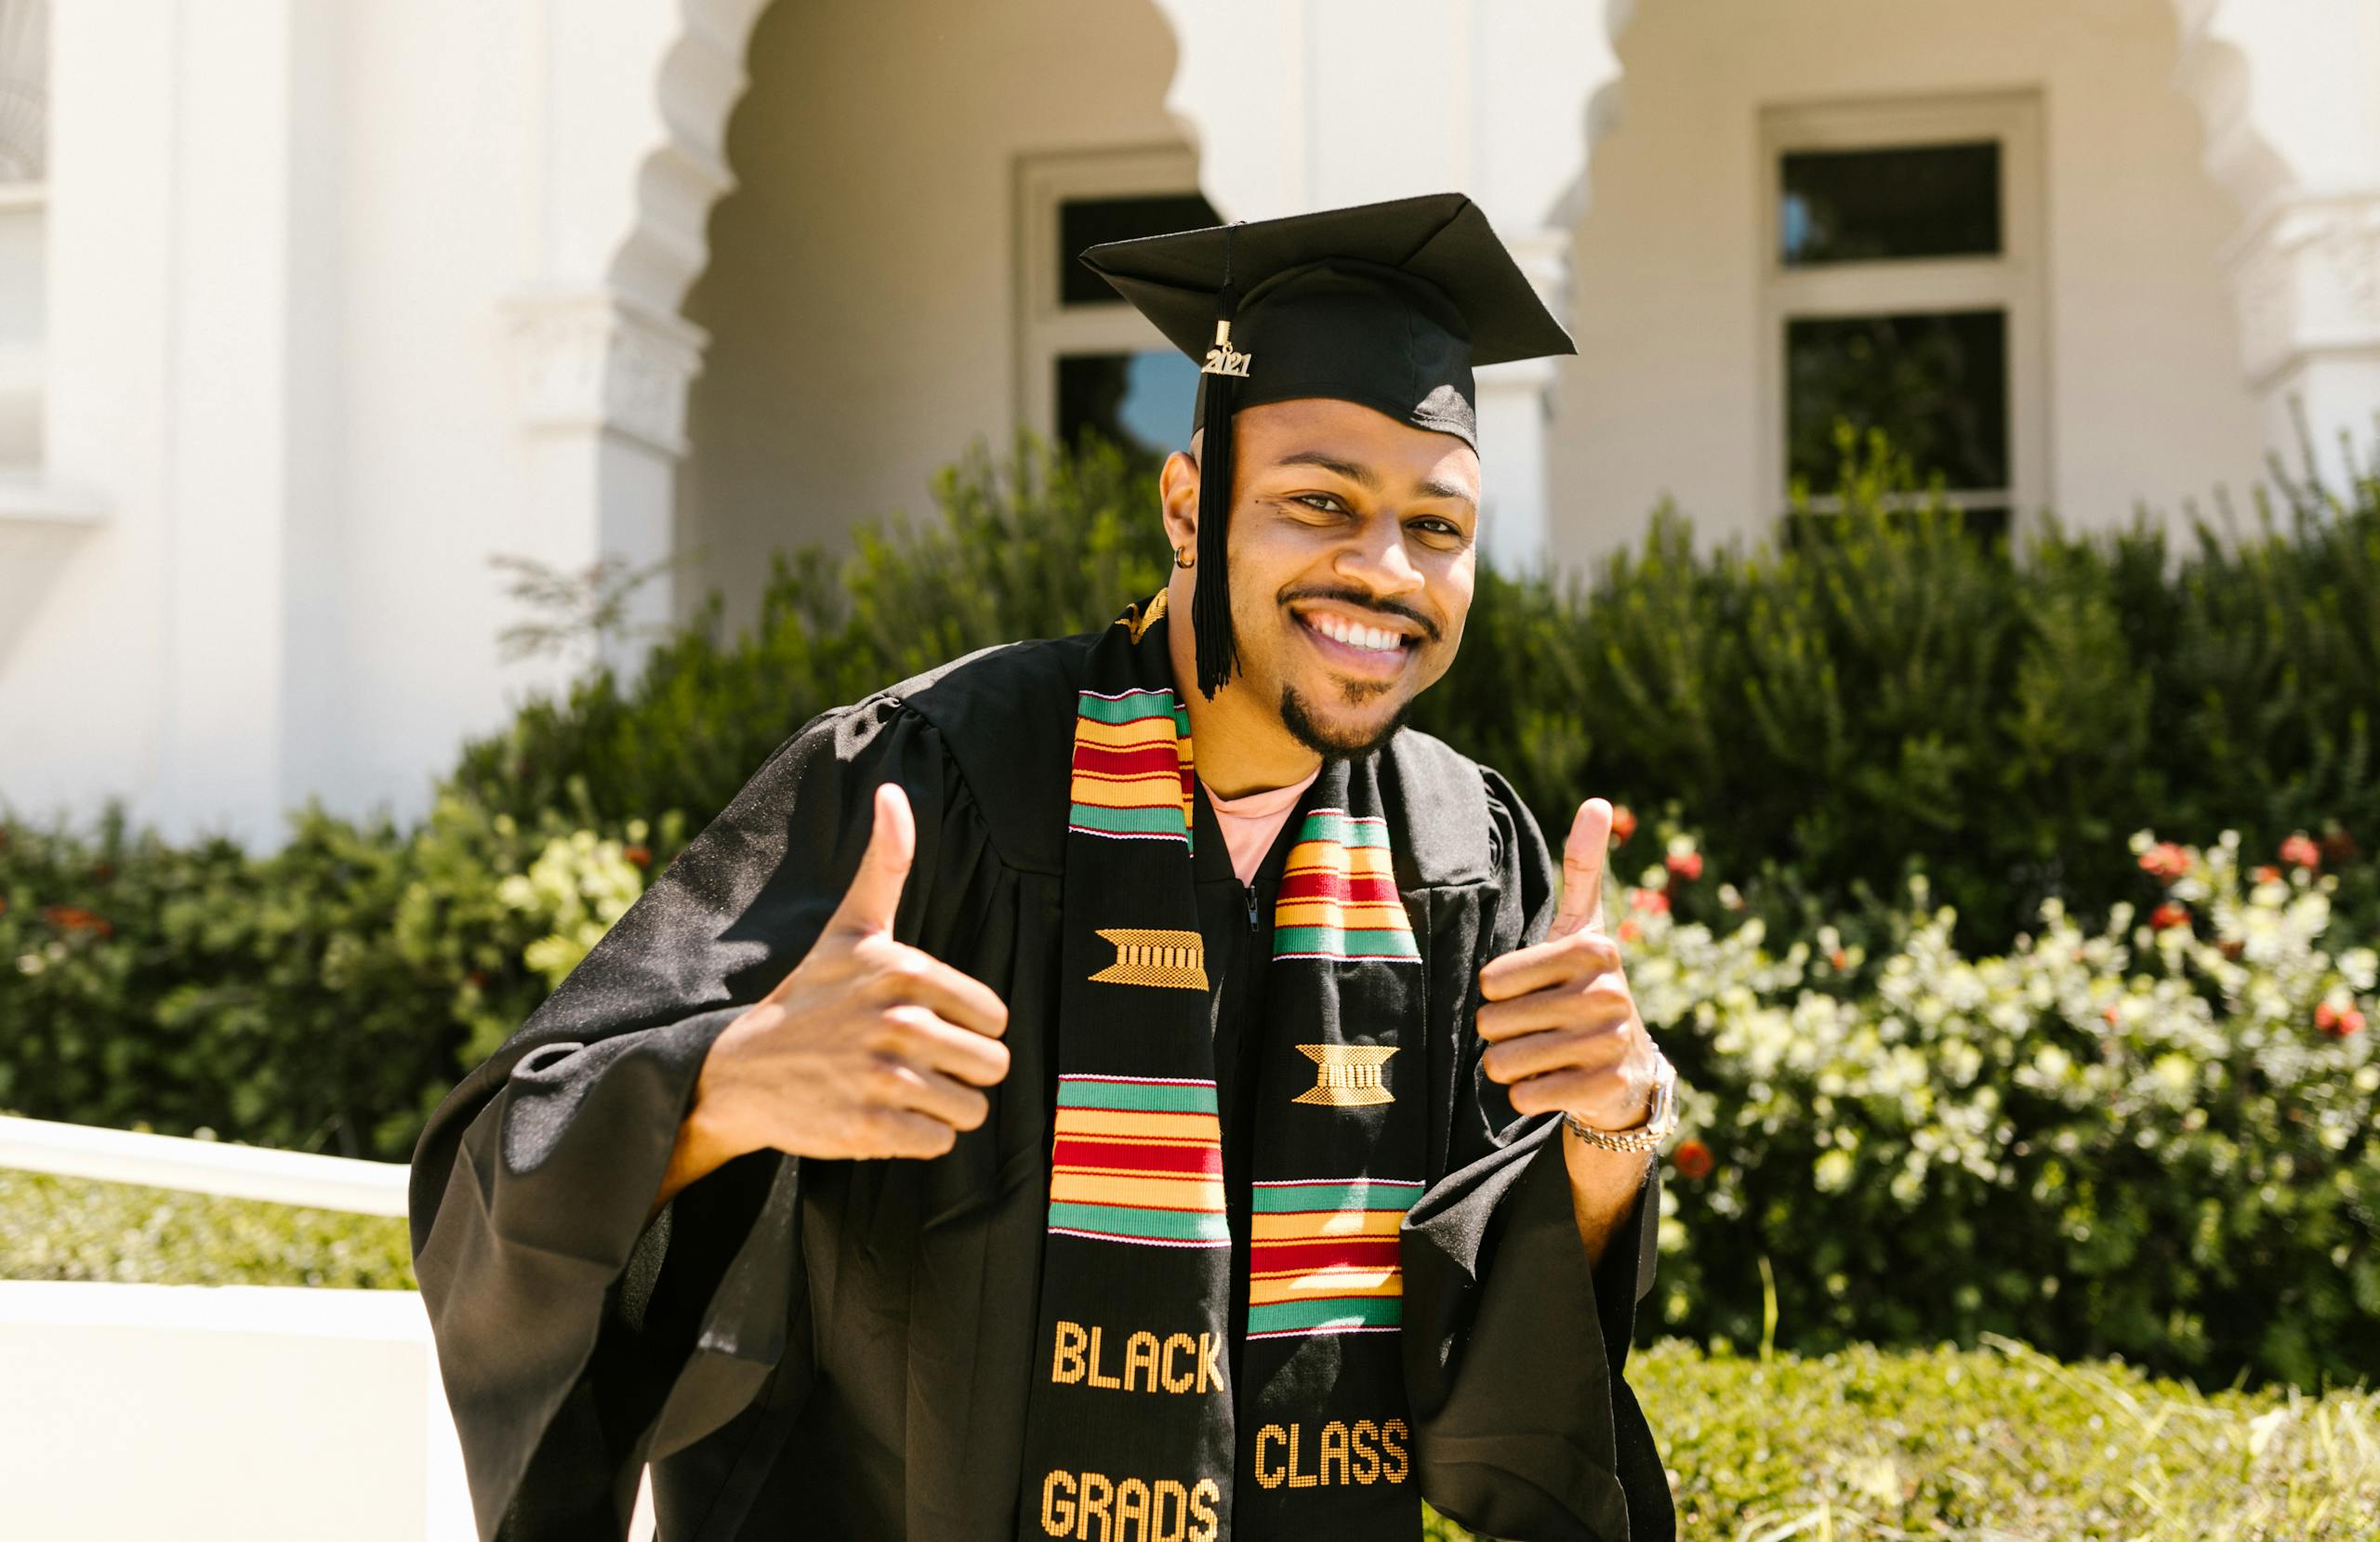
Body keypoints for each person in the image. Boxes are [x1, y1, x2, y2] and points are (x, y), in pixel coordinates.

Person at [408, 191, 1682, 1542]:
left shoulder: (1461, 853)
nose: (1384, 570)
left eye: (1438, 527)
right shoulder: (940, 779)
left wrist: (1606, 1140)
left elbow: (1504, 1377)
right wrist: (726, 1085)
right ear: (1189, 505)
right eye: (1319, 502)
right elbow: (511, 1150)